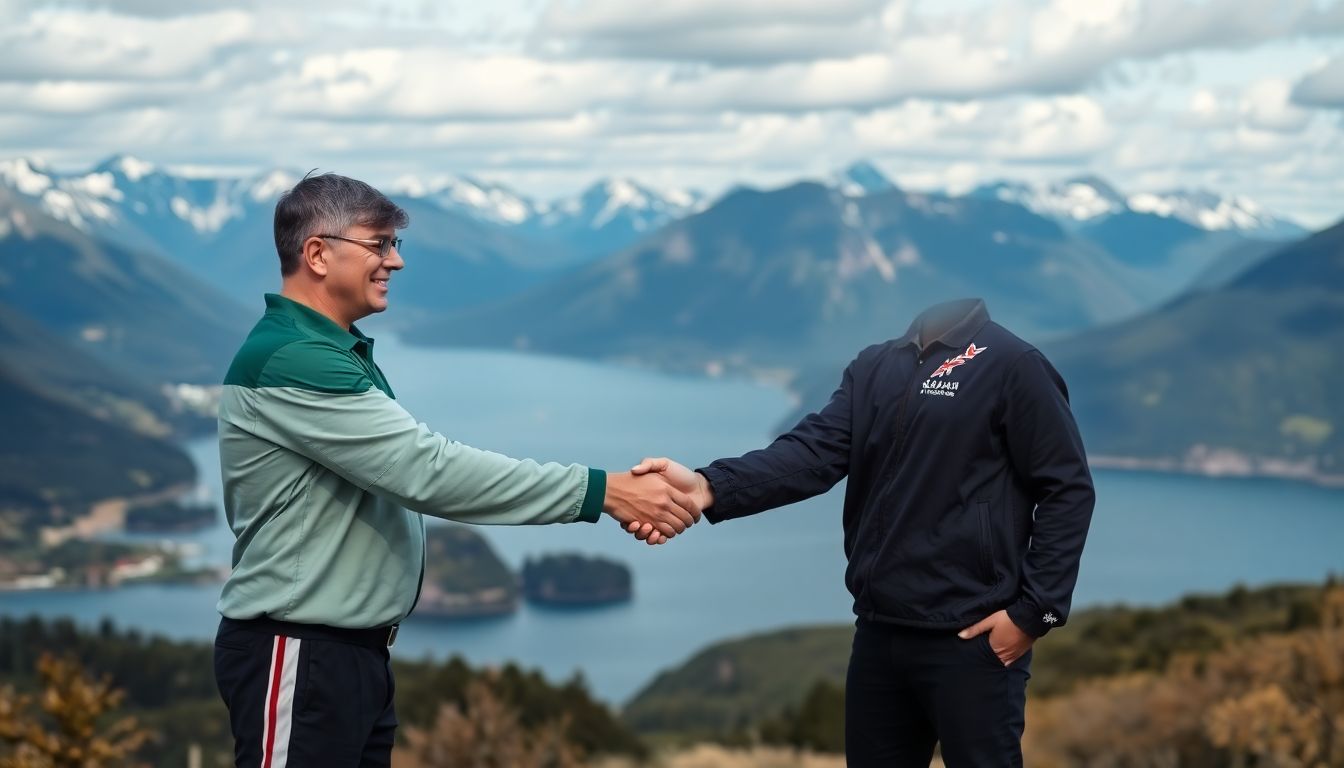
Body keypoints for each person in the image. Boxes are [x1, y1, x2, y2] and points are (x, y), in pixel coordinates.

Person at [213, 172, 695, 768]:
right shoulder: (294, 359)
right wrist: (604, 491)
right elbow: (430, 472)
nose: (396, 261)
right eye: (379, 244)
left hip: (346, 657)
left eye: (396, 245)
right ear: (317, 253)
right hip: (300, 653)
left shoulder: (328, 350)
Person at [629, 298, 1095, 767]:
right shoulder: (876, 364)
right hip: (879, 634)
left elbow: (1068, 488)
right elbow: (813, 452)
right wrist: (709, 486)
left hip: (971, 640)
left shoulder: (1012, 364)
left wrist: (1034, 614)